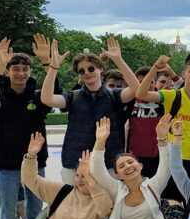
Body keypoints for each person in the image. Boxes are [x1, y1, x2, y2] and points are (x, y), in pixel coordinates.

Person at [0, 36, 55, 219]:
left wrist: (47, 61)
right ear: (8, 71)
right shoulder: (0, 96)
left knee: (35, 215)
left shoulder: (37, 96)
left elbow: (54, 90)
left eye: (25, 69)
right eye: (15, 69)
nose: (20, 73)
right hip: (6, 163)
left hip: (34, 163)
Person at [39, 36, 140, 184]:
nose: (87, 72)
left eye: (91, 68)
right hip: (75, 163)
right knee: (77, 206)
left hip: (109, 162)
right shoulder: (73, 97)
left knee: (107, 206)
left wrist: (119, 60)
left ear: (101, 69)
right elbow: (47, 99)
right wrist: (53, 67)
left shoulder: (114, 95)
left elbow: (136, 89)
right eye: (81, 71)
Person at [136, 56, 190, 199]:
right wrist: (155, 68)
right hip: (172, 157)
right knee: (171, 199)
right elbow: (141, 94)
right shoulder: (172, 95)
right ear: (183, 74)